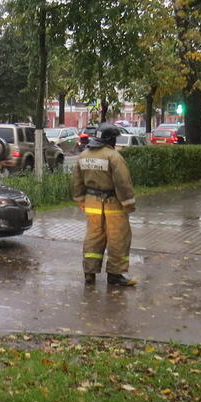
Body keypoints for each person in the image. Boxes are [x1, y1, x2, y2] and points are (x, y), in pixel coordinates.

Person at [71, 123, 137, 287]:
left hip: (91, 202)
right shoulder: (113, 156)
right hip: (113, 203)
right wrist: (128, 203)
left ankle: (89, 273)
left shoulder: (84, 155)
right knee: (118, 237)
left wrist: (80, 199)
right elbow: (122, 182)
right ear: (111, 139)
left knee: (94, 236)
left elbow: (76, 180)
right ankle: (115, 275)